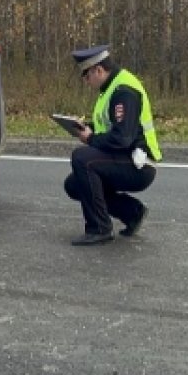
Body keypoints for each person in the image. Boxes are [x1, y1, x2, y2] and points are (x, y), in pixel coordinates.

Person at [63, 45, 162, 245]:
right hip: (125, 158)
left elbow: (122, 138)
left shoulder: (123, 91)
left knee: (82, 158)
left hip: (139, 164)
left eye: (86, 75)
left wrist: (90, 139)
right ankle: (131, 212)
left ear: (98, 70)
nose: (85, 81)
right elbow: (110, 128)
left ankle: (99, 228)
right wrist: (86, 128)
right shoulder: (109, 89)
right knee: (74, 185)